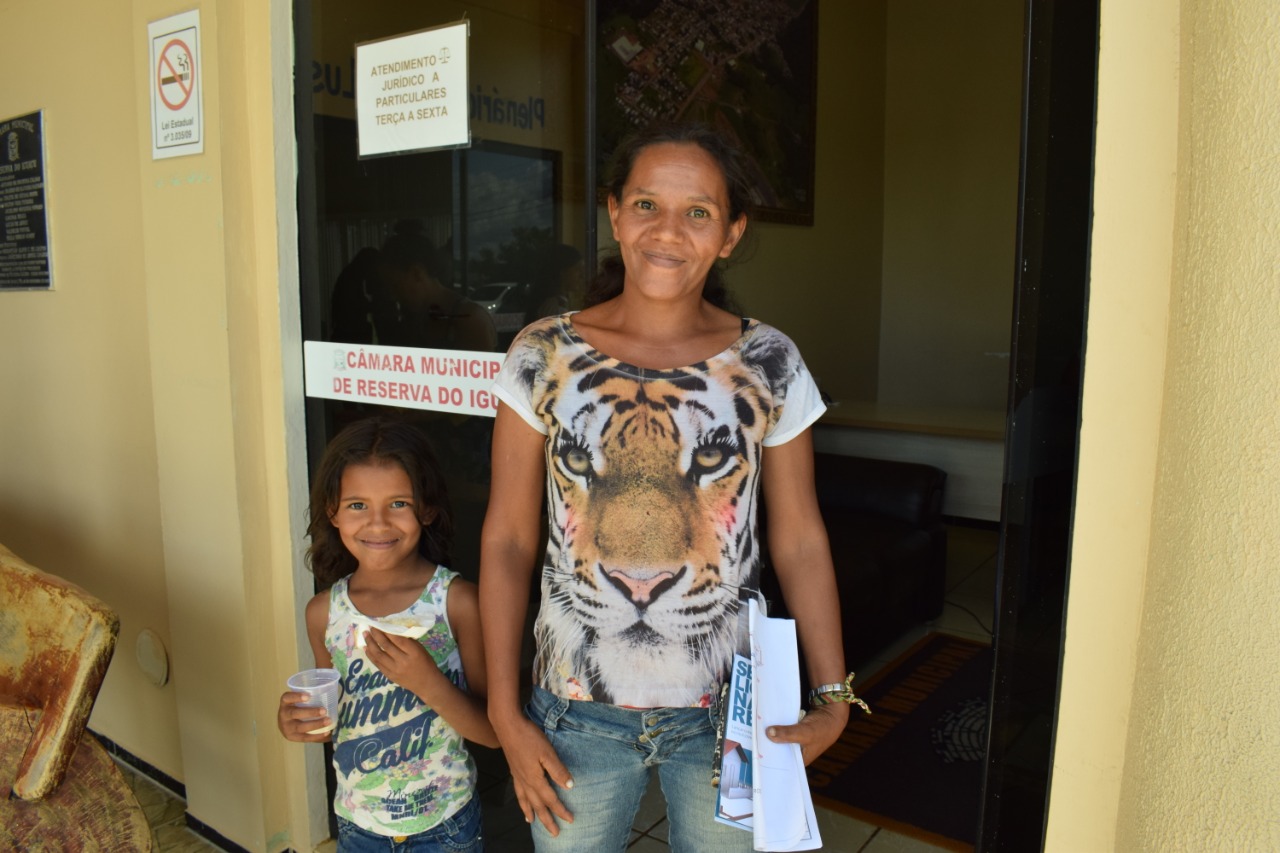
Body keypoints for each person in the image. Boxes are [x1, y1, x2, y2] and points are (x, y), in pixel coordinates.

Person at [479, 122, 855, 852]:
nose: (668, 231)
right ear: (614, 211)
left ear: (731, 233)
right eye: (648, 204)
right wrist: (504, 708)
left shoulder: (769, 359)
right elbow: (508, 536)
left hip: (730, 708)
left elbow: (802, 537)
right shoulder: (541, 352)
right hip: (572, 707)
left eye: (699, 212)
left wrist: (835, 696)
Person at [278, 416, 498, 852]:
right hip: (359, 827)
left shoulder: (456, 603)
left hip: (445, 825)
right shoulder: (324, 613)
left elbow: (493, 732)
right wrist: (299, 722)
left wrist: (428, 682)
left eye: (398, 503)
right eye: (357, 505)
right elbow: (332, 720)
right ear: (332, 512)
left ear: (428, 509)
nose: (377, 524)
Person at [373, 220, 498, 353]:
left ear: (417, 273)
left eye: (395, 286)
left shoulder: (469, 320)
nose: (393, 296)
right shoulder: (415, 318)